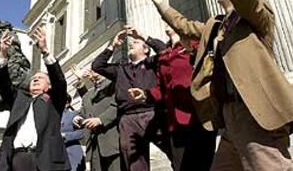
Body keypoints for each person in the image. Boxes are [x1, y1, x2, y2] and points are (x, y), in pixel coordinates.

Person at [137, 0, 293, 170]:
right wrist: (157, 0)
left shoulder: (257, 16)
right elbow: (183, 25)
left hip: (256, 111)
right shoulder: (215, 25)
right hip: (228, 115)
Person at [129, 27, 216, 171]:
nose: (166, 24)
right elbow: (160, 89)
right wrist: (145, 94)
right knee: (180, 166)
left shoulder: (193, 45)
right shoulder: (165, 55)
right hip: (174, 123)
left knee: (204, 165)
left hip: (197, 116)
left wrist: (145, 37)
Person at [91, 25, 171, 171]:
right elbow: (97, 66)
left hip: (153, 113)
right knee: (134, 164)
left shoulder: (153, 63)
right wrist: (112, 46)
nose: (131, 44)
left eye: (136, 42)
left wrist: (143, 36)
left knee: (173, 151)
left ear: (146, 49)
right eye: (131, 43)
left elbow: (165, 51)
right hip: (128, 120)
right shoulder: (121, 68)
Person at [0, 27, 70, 171]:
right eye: (33, 78)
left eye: (40, 78)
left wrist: (45, 51)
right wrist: (3, 53)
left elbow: (59, 81)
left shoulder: (54, 100)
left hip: (46, 160)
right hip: (19, 158)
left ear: (48, 86)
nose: (35, 79)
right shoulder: (19, 99)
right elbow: (3, 83)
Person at [71, 67, 120, 171]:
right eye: (92, 68)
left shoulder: (114, 85)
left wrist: (100, 120)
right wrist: (78, 118)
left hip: (113, 144)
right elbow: (84, 113)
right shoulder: (88, 95)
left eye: (97, 67)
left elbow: (117, 106)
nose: (93, 70)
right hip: (94, 148)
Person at [61, 94, 85, 171]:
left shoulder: (74, 115)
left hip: (72, 153)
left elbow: (83, 132)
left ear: (67, 103)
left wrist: (65, 135)